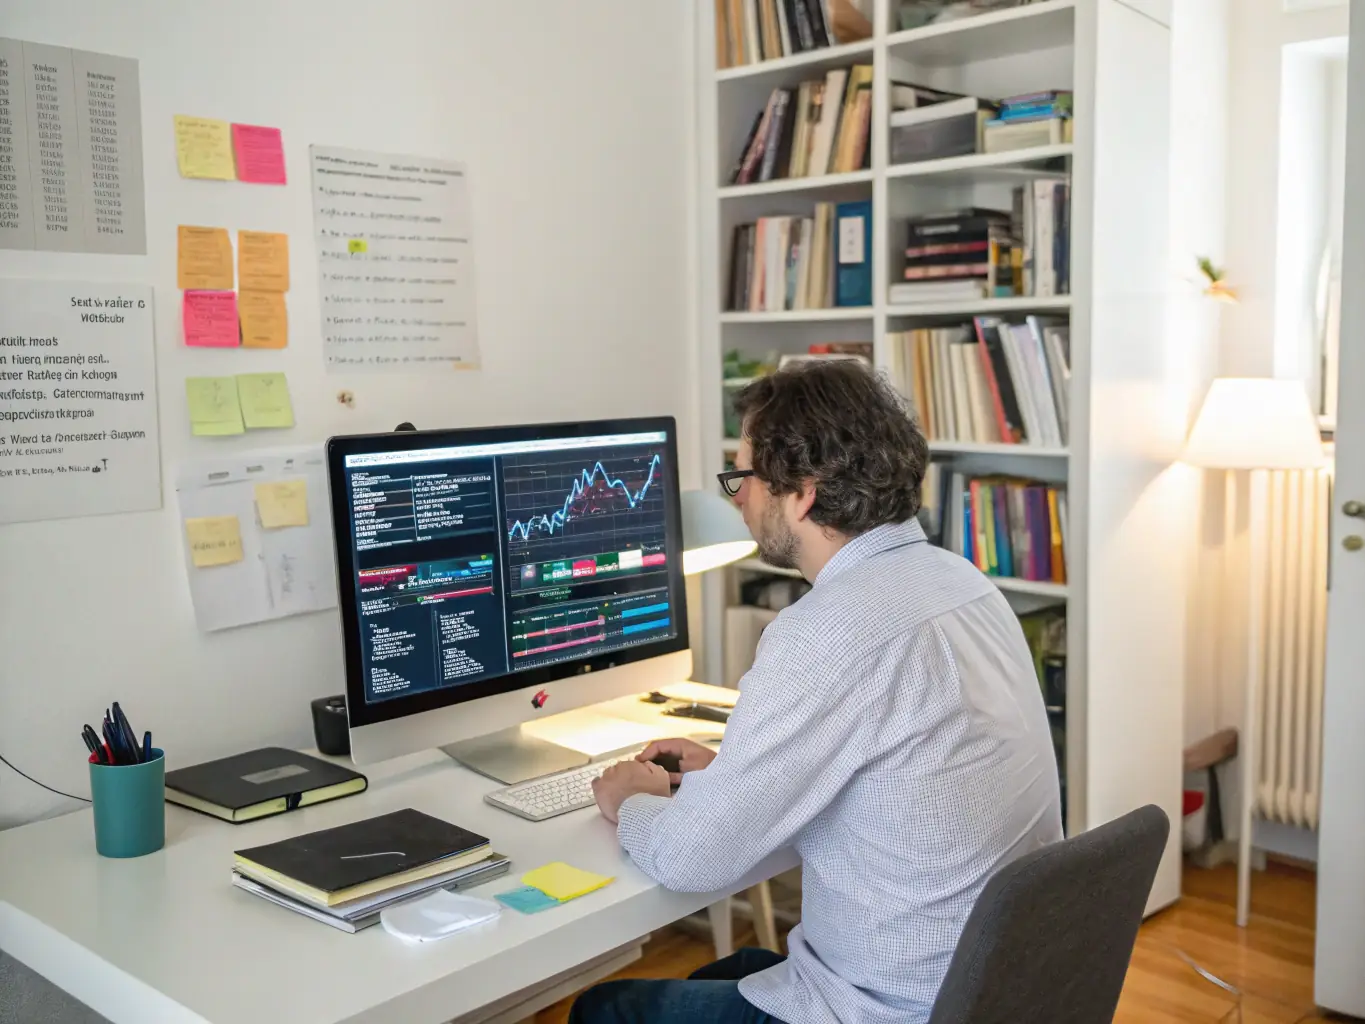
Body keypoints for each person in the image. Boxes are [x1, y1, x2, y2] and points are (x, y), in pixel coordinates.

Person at [575, 360, 1063, 1024]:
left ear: (801, 492)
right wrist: (729, 778)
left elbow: (691, 859)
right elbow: (894, 775)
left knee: (608, 1009)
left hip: (889, 1008)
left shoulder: (826, 631)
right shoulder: (964, 583)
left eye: (741, 477)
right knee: (731, 972)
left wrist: (630, 800)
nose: (737, 498)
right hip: (985, 988)